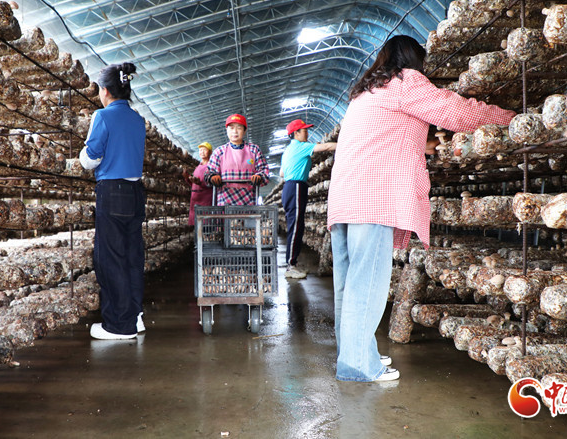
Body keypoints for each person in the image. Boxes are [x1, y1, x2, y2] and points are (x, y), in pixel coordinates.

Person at [326, 35, 515, 382]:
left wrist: (422, 144)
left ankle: (353, 353)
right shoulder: (405, 81)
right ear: (413, 60)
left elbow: (390, 136)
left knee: (349, 283)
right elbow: (456, 112)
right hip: (373, 198)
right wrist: (509, 118)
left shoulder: (367, 93)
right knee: (367, 283)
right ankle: (358, 367)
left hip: (344, 198)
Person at [79, 62, 147, 340]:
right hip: (135, 192)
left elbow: (90, 158)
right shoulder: (138, 119)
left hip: (112, 191)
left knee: (110, 258)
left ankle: (119, 325)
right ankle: (135, 316)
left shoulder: (103, 116)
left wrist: (83, 156)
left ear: (105, 91)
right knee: (132, 256)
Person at [280, 118, 336, 279]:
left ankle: (293, 263)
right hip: (296, 187)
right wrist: (345, 143)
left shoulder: (288, 150)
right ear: (296, 133)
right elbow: (326, 147)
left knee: (296, 225)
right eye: (304, 130)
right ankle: (290, 265)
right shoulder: (300, 146)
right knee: (296, 226)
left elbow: (282, 173)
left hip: (290, 187)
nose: (307, 133)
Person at [204, 114, 270, 205]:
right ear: (226, 130)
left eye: (239, 128)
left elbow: (264, 171)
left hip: (249, 203)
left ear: (244, 131)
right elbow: (208, 173)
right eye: (231, 128)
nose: (235, 131)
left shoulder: (254, 150)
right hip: (225, 204)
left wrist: (259, 176)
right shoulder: (219, 152)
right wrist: (212, 177)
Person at [184, 141, 213, 225]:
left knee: (205, 225)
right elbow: (194, 185)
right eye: (200, 150)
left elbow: (212, 183)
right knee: (196, 225)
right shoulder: (198, 167)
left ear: (210, 152)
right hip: (195, 200)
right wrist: (187, 178)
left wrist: (200, 183)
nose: (202, 152)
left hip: (205, 200)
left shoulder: (211, 166)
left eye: (205, 150)